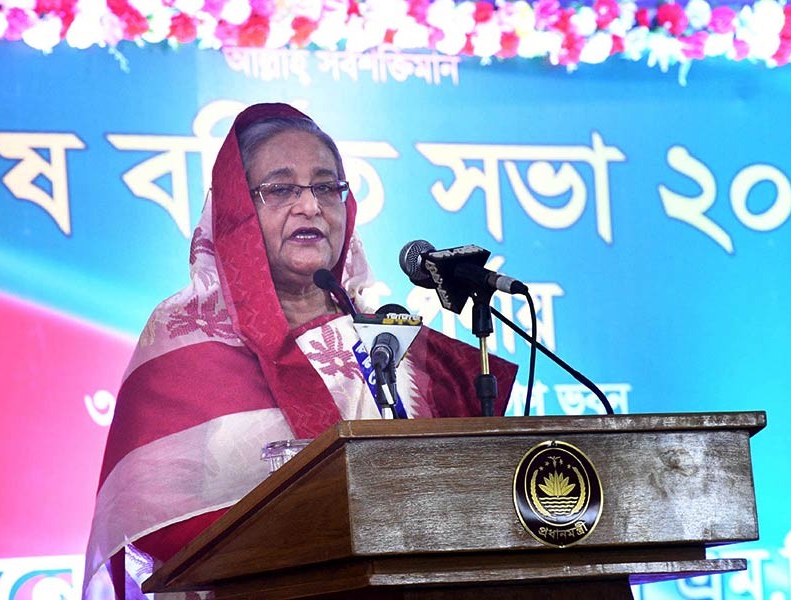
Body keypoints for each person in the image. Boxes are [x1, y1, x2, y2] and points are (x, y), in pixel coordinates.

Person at [82, 103, 517, 600]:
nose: (310, 206)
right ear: (237, 210)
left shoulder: (389, 344)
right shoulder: (185, 335)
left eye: (327, 186)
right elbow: (151, 515)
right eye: (282, 188)